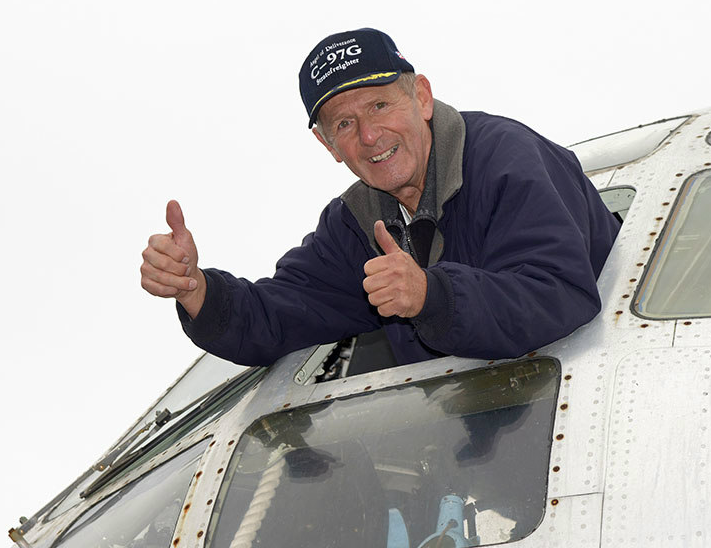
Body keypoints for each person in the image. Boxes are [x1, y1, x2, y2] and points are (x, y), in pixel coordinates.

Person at [140, 28, 620, 367]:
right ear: (328, 145)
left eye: (380, 105)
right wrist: (196, 290)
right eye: (345, 124)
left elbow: (561, 293)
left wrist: (430, 295)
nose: (369, 135)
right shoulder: (354, 223)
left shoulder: (507, 159)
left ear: (422, 98)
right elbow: (279, 314)